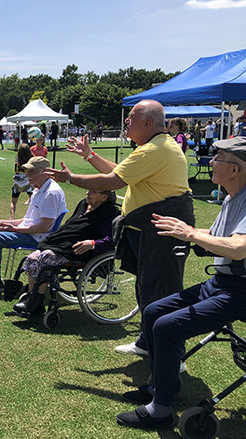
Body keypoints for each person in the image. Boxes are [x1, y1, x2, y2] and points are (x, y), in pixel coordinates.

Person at [45, 100, 194, 356]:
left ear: (147, 123)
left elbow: (113, 181)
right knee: (147, 290)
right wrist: (90, 156)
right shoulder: (153, 147)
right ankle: (148, 342)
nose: (127, 121)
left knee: (162, 293)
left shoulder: (154, 149)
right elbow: (121, 173)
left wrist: (69, 178)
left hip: (161, 234)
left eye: (132, 117)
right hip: (148, 232)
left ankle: (172, 355)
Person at [116, 136, 246, 430]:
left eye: (218, 159)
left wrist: (189, 235)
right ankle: (163, 386)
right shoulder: (230, 197)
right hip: (222, 282)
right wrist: (186, 230)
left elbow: (238, 248)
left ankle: (160, 411)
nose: (211, 163)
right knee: (152, 312)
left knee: (166, 326)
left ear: (235, 169)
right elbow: (215, 238)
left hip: (240, 291)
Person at [13, 190, 119, 316]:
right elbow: (70, 225)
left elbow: (111, 239)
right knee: (32, 258)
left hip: (80, 250)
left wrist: (92, 243)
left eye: (92, 191)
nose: (87, 192)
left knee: (46, 258)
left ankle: (35, 302)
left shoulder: (109, 212)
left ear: (104, 197)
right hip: (63, 245)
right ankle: (33, 298)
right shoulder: (83, 204)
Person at [0, 156, 67, 295]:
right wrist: (7, 222)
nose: (27, 175)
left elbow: (44, 227)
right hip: (30, 231)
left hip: (37, 237)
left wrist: (13, 228)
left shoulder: (51, 193)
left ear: (44, 172)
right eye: (27, 171)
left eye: (31, 171)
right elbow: (28, 219)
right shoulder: (38, 189)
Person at [10, 143, 34, 219]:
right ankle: (31, 215)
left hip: (17, 182)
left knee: (13, 201)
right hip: (27, 181)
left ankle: (12, 217)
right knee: (32, 199)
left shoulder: (17, 158)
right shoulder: (31, 159)